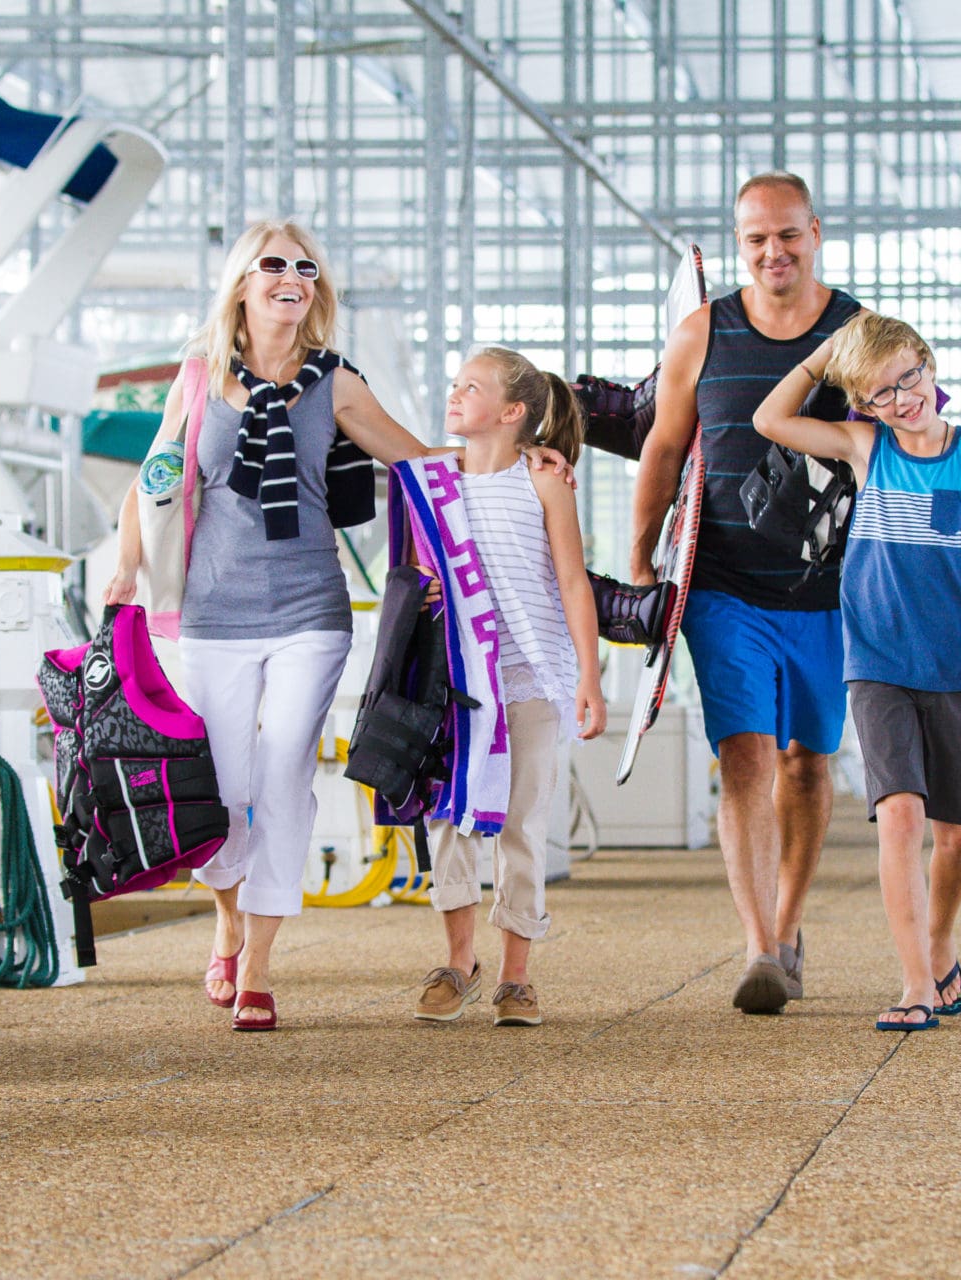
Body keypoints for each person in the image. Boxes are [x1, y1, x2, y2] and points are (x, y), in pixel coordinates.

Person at [104, 222, 532, 1030]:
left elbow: (414, 462)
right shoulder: (198, 379)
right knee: (223, 792)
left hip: (310, 612)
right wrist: (128, 566)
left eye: (305, 268)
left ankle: (259, 964)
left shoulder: (333, 383)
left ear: (315, 291)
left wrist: (510, 453)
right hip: (212, 614)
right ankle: (229, 919)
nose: (290, 276)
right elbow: (154, 478)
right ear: (242, 284)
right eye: (273, 265)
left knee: (283, 775)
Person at [752, 311, 961, 1032]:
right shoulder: (863, 447)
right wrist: (824, 357)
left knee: (959, 837)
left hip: (958, 664)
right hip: (876, 663)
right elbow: (769, 418)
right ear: (862, 404)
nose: (903, 398)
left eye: (909, 377)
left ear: (928, 364)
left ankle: (939, 944)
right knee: (899, 818)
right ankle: (914, 983)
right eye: (881, 392)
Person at [629, 172, 867, 1014]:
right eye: (756, 239)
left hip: (835, 589)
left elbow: (913, 438)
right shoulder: (703, 331)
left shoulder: (859, 333)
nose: (774, 252)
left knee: (809, 763)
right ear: (740, 244)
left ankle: (790, 926)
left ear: (816, 232)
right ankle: (758, 944)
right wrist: (641, 561)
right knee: (747, 756)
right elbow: (662, 448)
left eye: (788, 235)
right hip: (724, 586)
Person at [410, 348, 606, 1028]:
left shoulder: (543, 481)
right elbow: (419, 572)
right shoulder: (435, 479)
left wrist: (589, 676)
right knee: (451, 814)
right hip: (458, 681)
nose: (456, 392)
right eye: (455, 381)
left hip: (533, 677)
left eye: (473, 386)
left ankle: (516, 976)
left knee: (522, 822)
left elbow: (573, 582)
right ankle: (459, 962)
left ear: (513, 411)